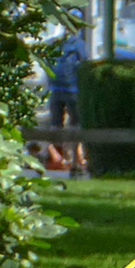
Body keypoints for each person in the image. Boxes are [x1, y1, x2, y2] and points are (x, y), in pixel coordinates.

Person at [45, 39, 86, 176]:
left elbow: (46, 64)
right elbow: (84, 63)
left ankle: (57, 158)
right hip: (73, 89)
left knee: (56, 125)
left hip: (55, 88)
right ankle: (75, 161)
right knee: (76, 124)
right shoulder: (78, 44)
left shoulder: (53, 44)